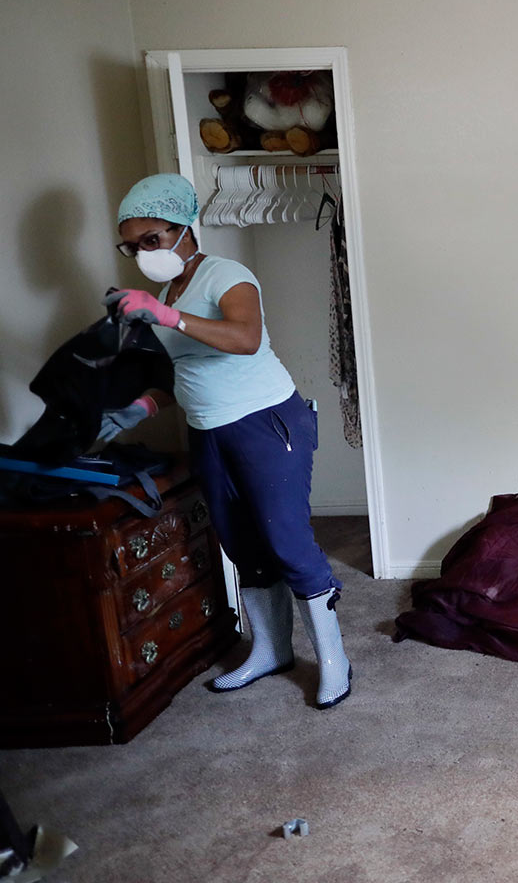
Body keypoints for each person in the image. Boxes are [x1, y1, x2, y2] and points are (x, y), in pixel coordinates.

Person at [104, 172, 352, 710]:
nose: (143, 253)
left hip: (264, 422)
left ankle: (334, 661)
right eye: (133, 245)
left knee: (286, 541)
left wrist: (167, 316)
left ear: (183, 228)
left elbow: (245, 338)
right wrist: (140, 407)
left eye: (152, 239)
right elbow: (182, 372)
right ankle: (270, 651)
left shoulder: (225, 274)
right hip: (208, 431)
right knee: (240, 545)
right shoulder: (168, 292)